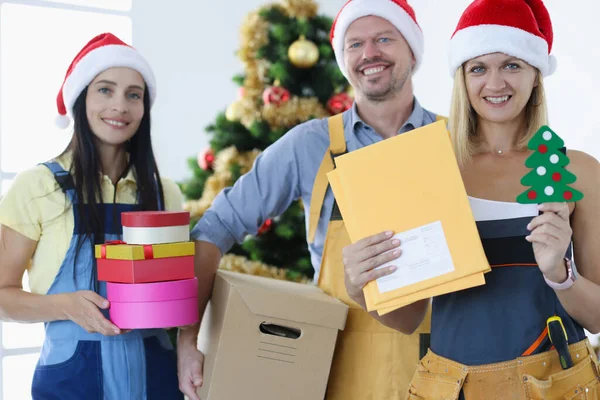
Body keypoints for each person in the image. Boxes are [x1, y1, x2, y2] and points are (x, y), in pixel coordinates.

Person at [176, 1, 447, 399]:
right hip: (337, 369)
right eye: (355, 44)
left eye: (384, 39)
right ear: (343, 59)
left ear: (413, 51)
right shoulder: (309, 145)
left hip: (442, 368)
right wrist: (188, 338)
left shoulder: (454, 142)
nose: (369, 53)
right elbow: (216, 227)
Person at [342, 0, 600, 398]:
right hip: (449, 388)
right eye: (478, 68)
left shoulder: (578, 170)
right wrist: (362, 288)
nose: (495, 83)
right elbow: (409, 317)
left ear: (536, 74)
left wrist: (560, 277)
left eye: (512, 65)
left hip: (555, 386)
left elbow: (597, 316)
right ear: (462, 79)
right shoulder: (430, 168)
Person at [0, 33, 185, 399]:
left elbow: (176, 295)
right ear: (81, 98)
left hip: (158, 380)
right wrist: (63, 306)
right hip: (72, 382)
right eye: (105, 90)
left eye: (134, 94)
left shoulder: (165, 193)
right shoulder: (38, 186)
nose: (120, 105)